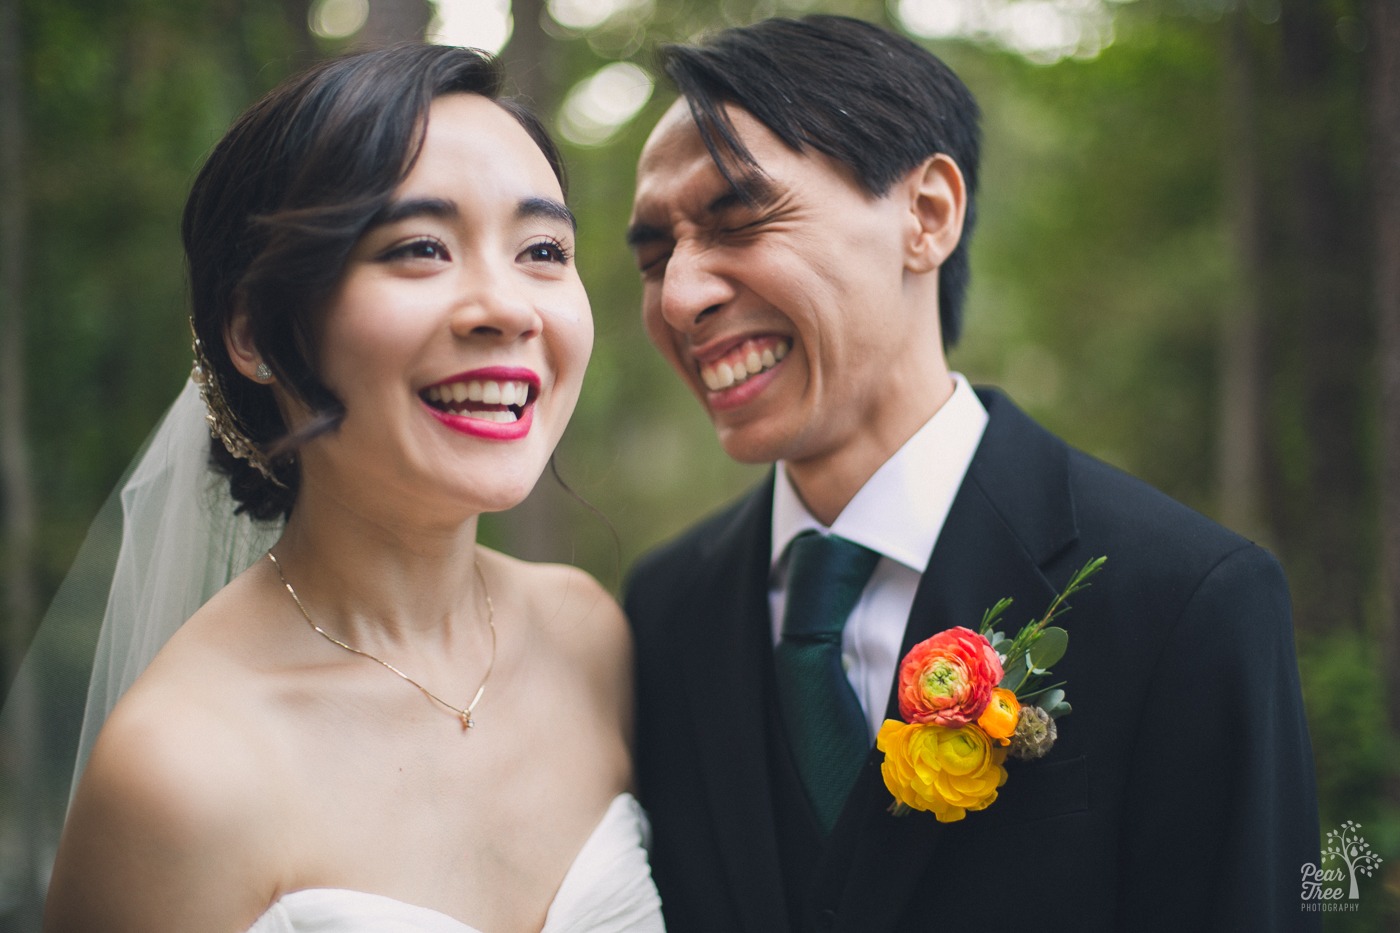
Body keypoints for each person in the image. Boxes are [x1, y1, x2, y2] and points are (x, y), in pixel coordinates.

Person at [623, 14, 1319, 932]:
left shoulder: (1190, 598)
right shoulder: (661, 612)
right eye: (654, 255)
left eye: (740, 218)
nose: (680, 296)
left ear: (927, 215)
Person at [44, 44, 663, 933]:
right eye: (419, 247)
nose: (507, 306)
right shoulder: (181, 770)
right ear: (254, 331)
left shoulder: (591, 637)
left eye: (541, 249)